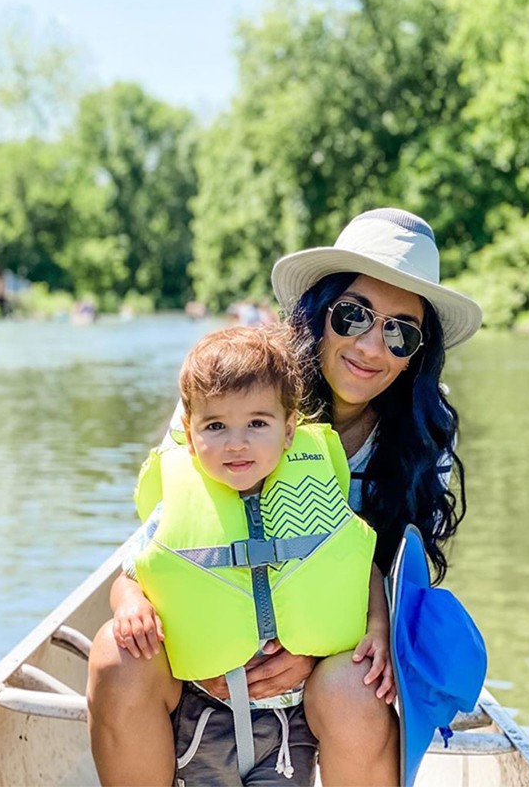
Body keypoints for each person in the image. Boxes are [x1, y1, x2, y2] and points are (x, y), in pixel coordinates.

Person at [88, 207, 483, 786]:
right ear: (321, 312)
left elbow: (396, 578)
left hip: (332, 659)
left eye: (400, 331)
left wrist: (313, 648)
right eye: (354, 315)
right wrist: (218, 641)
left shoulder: (427, 436)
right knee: (116, 655)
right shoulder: (234, 389)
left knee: (358, 685)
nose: (373, 347)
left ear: (417, 353)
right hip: (204, 648)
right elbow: (164, 542)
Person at [89, 324, 391, 786]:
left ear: (288, 431)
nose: (236, 442)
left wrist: (376, 626)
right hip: (202, 709)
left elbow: (357, 566)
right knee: (115, 648)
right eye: (216, 426)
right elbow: (131, 573)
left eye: (256, 423)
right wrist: (130, 605)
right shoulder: (176, 508)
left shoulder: (314, 498)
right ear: (189, 437)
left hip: (290, 722)